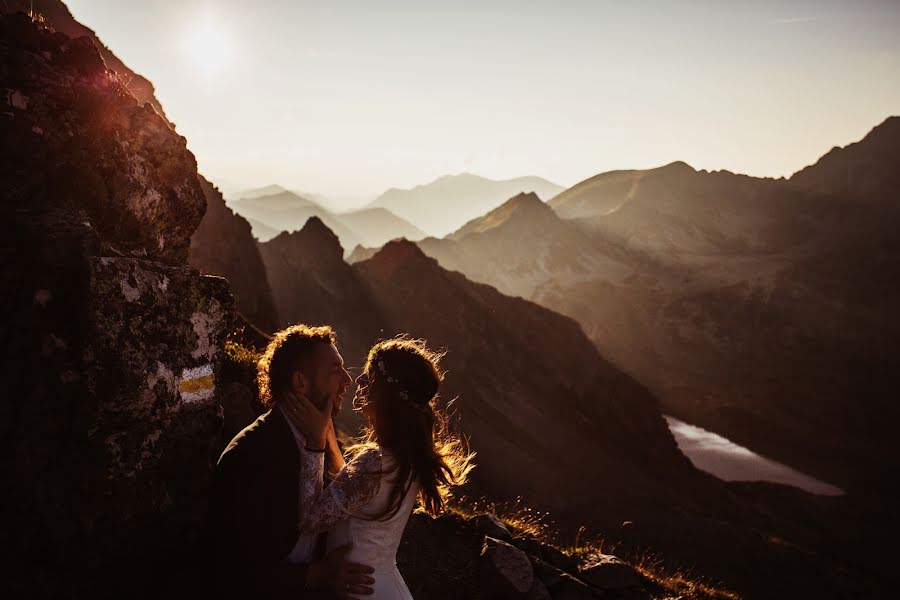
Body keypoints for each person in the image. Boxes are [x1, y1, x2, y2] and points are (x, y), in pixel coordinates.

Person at [283, 336, 475, 600]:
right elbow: (351, 489)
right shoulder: (404, 457)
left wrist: (316, 446)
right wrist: (327, 432)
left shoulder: (374, 462)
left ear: (385, 391)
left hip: (358, 591)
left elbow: (310, 520)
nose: (358, 383)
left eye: (368, 377)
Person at [207, 324, 376, 599]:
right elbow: (234, 568)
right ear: (300, 382)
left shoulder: (325, 442)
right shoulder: (250, 455)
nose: (348, 380)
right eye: (335, 370)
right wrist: (320, 574)